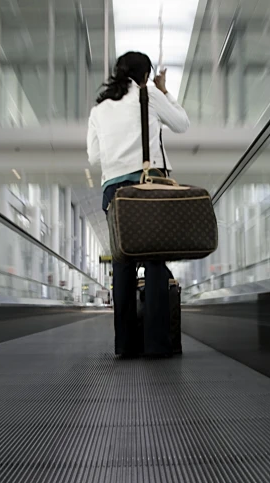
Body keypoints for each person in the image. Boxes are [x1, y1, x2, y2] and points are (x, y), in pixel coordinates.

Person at [87, 51, 190, 358]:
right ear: (145, 76)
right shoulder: (149, 95)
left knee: (123, 263)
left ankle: (125, 345)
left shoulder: (99, 109)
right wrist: (163, 89)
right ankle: (157, 345)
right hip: (147, 187)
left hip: (113, 192)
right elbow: (182, 124)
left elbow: (94, 158)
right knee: (155, 261)